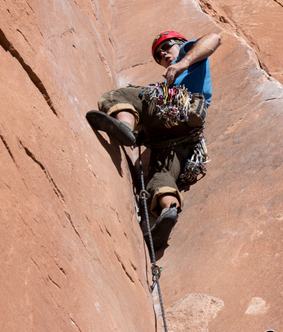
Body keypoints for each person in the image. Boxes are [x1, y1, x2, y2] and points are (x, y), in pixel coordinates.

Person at [86, 30, 221, 249]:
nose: (164, 55)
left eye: (167, 47)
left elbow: (214, 38)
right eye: (159, 55)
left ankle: (125, 126)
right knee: (159, 177)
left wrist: (183, 62)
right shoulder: (170, 82)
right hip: (179, 140)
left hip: (180, 108)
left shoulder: (188, 54)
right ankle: (167, 212)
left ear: (181, 43)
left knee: (118, 96)